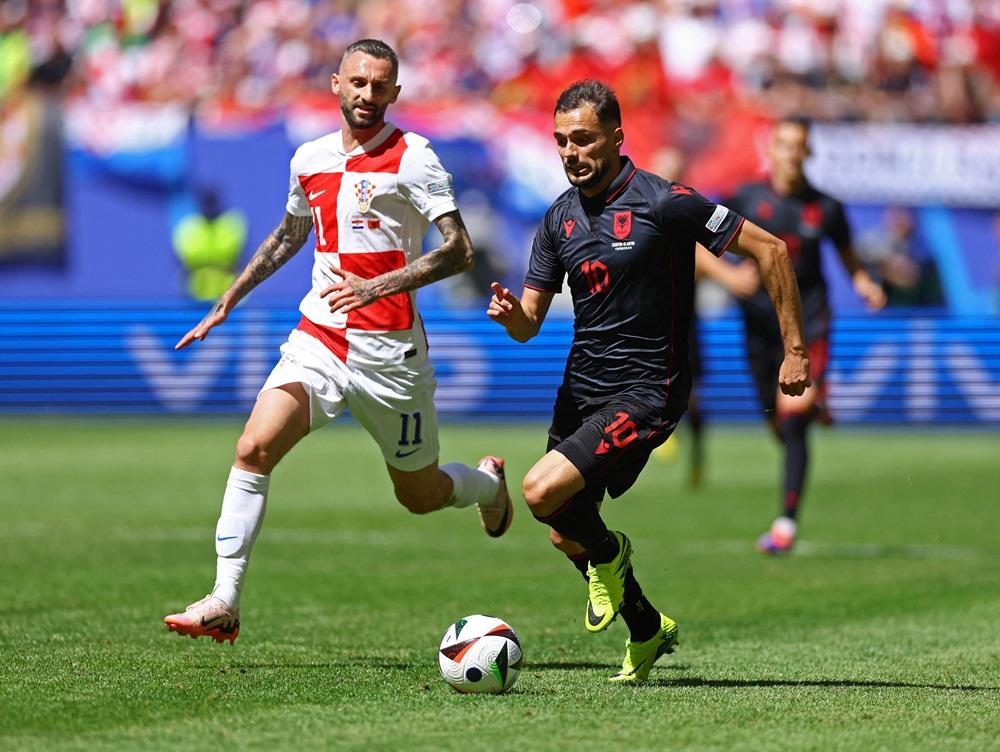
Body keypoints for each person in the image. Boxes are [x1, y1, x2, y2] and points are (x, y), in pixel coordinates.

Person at [163, 39, 513, 644]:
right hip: (320, 337)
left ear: (395, 92)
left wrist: (378, 285)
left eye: (379, 85)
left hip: (390, 353)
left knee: (419, 495)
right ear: (336, 84)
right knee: (253, 447)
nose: (367, 94)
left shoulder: (415, 157)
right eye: (357, 82)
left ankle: (486, 484)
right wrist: (229, 298)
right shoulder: (310, 157)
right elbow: (290, 233)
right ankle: (224, 599)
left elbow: (459, 250)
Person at [487, 80, 810, 683]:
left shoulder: (666, 202)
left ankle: (611, 554)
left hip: (647, 389)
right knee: (562, 531)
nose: (571, 152)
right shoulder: (558, 219)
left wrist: (795, 350)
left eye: (583, 139)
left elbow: (771, 250)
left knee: (538, 491)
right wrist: (513, 318)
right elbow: (529, 322)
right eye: (561, 141)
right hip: (581, 390)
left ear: (616, 136)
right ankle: (645, 627)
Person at [727, 115, 886, 555]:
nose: (792, 153)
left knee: (793, 419)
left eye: (800, 145)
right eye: (784, 144)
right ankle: (814, 407)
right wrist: (727, 276)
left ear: (809, 152)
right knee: (779, 422)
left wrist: (865, 283)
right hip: (759, 326)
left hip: (808, 323)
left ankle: (785, 524)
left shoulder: (826, 208)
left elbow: (849, 257)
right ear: (771, 149)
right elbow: (697, 245)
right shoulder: (746, 198)